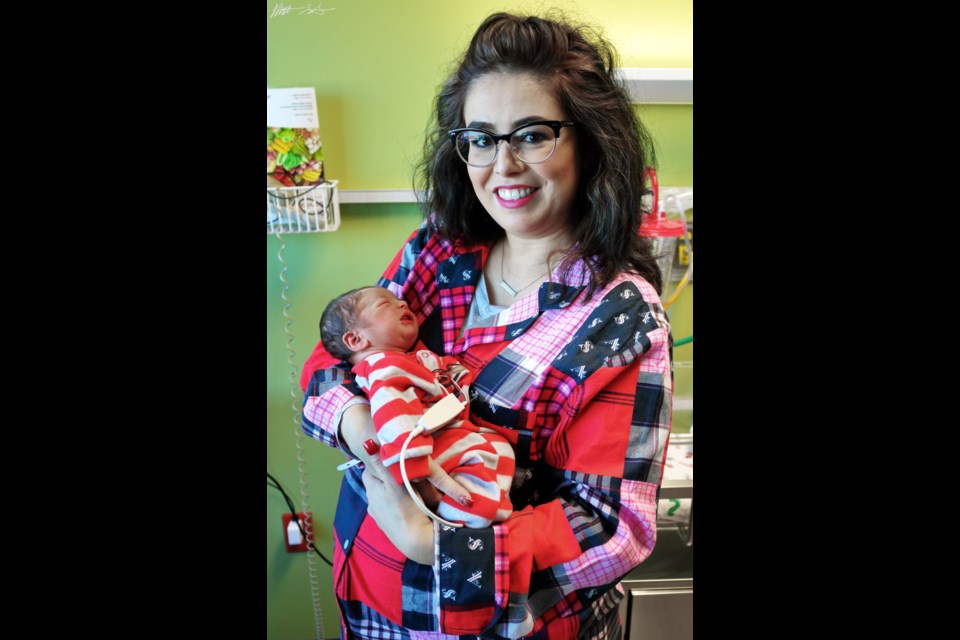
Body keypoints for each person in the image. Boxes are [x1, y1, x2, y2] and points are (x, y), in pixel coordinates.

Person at [301, 11, 673, 639]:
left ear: (591, 143)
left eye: (531, 134)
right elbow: (336, 354)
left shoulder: (618, 319)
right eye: (480, 137)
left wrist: (434, 543)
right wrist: (360, 426)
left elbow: (613, 526)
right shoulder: (438, 252)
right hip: (369, 606)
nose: (502, 164)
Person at [319, 285, 516, 528]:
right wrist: (415, 465)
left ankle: (482, 504)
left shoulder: (406, 360)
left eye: (399, 300)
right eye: (384, 304)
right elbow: (394, 419)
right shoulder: (384, 367)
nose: (402, 303)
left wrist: (453, 373)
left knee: (496, 449)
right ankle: (465, 520)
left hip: (450, 439)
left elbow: (445, 378)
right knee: (477, 473)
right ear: (356, 339)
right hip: (427, 451)